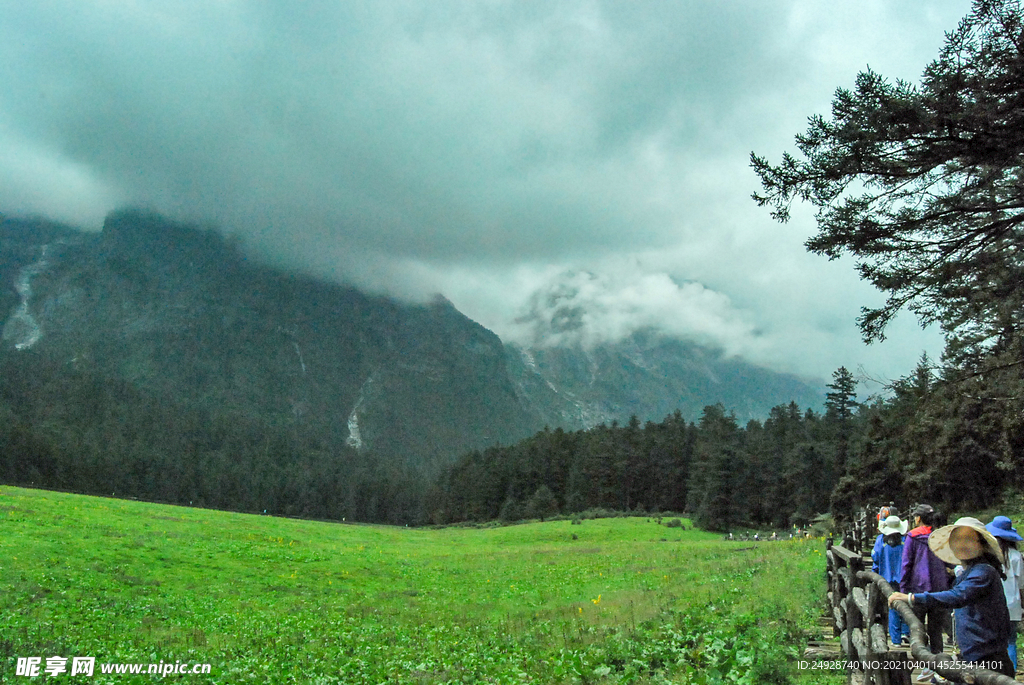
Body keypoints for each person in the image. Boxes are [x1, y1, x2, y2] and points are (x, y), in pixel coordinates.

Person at [889, 517, 1013, 678]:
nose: (961, 545)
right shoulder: (969, 571)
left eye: (968, 540)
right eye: (957, 540)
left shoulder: (983, 572)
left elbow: (958, 596)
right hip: (974, 652)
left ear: (981, 544)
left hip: (987, 655)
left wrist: (911, 598)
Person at [900, 503, 951, 679]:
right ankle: (939, 668)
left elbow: (906, 565)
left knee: (918, 629)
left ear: (918, 518)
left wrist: (903, 590)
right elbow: (948, 560)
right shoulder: (939, 536)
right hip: (940, 590)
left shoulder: (912, 537)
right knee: (936, 630)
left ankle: (925, 665)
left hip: (917, 589)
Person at [987, 516, 1023, 670]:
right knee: (1011, 642)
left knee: (992, 641)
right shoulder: (1016, 556)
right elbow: (1021, 585)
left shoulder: (990, 555)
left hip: (993, 604)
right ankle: (1012, 673)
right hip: (1013, 606)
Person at [873, 514, 910, 646]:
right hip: (905, 577)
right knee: (906, 604)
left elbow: (875, 558)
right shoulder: (905, 540)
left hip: (887, 577)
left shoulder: (880, 541)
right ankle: (906, 632)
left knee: (892, 606)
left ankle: (895, 639)